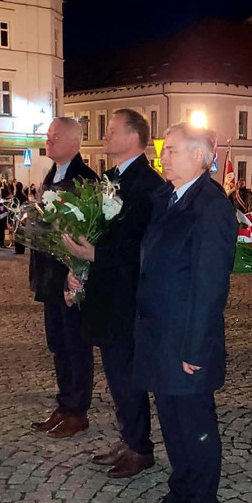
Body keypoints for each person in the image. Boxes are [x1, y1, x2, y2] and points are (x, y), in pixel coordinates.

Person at [132, 123, 234, 503]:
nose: (162, 157)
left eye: (171, 150)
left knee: (195, 424)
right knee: (171, 421)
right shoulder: (169, 198)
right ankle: (181, 490)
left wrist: (196, 348)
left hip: (186, 339)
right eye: (162, 149)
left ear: (199, 156)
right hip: (159, 334)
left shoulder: (210, 206)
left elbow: (211, 286)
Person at [63, 110, 163, 477]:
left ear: (134, 137)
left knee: (126, 375)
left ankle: (140, 447)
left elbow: (143, 247)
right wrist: (77, 267)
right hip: (105, 295)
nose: (104, 136)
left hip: (127, 298)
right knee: (116, 375)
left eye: (112, 131)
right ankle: (129, 438)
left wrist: (95, 254)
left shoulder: (147, 185)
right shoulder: (108, 179)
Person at [30, 118, 99, 437]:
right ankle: (65, 403)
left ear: (75, 142)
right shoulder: (51, 174)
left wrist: (79, 275)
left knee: (76, 346)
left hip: (71, 278)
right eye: (47, 136)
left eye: (55, 136)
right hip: (51, 277)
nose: (49, 141)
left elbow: (90, 231)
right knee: (58, 344)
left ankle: (78, 410)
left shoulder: (85, 178)